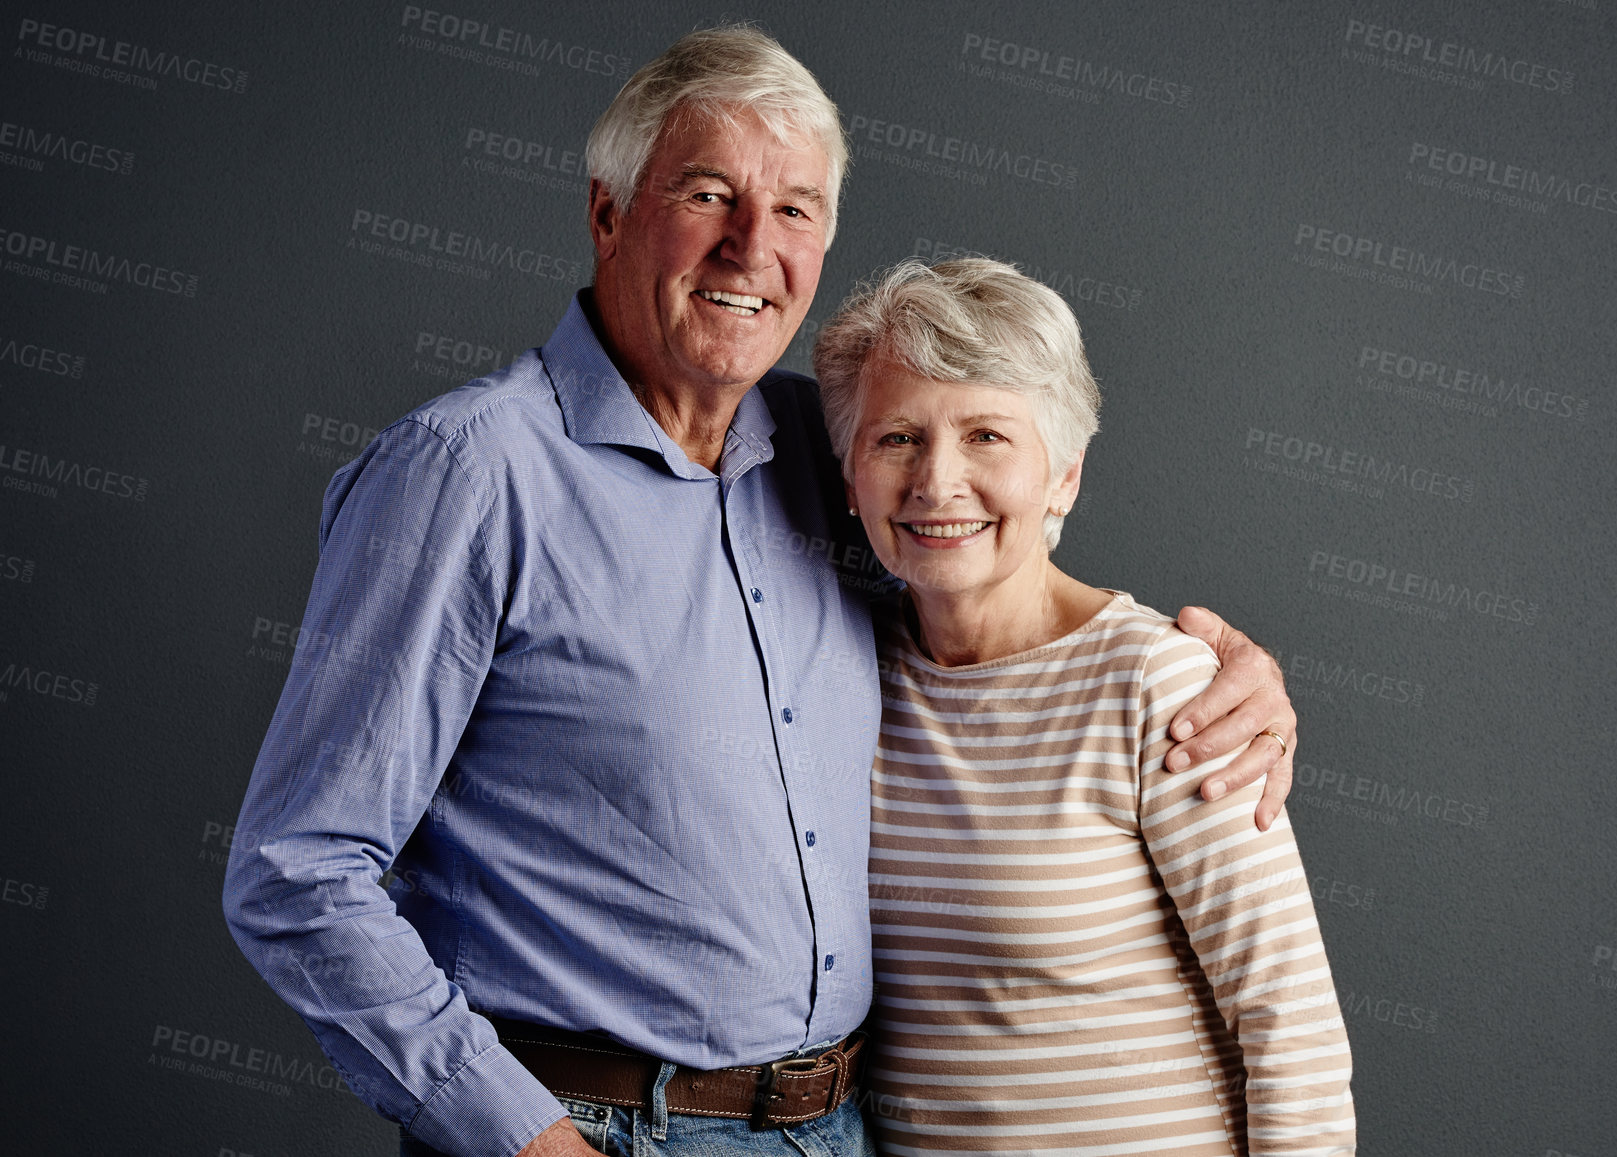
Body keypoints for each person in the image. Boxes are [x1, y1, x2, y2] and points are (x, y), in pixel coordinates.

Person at [222, 27, 1300, 1157]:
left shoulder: (823, 444)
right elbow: (298, 871)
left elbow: (995, 587)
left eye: (794, 210)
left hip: (836, 1128)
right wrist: (529, 1141)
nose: (752, 247)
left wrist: (1219, 672)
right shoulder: (467, 475)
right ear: (607, 212)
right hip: (591, 1129)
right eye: (707, 194)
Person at [813, 257, 1354, 1155]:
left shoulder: (1159, 684)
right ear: (849, 476)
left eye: (987, 435)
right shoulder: (836, 674)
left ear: (1063, 474)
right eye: (896, 438)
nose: (937, 481)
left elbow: (1288, 1022)